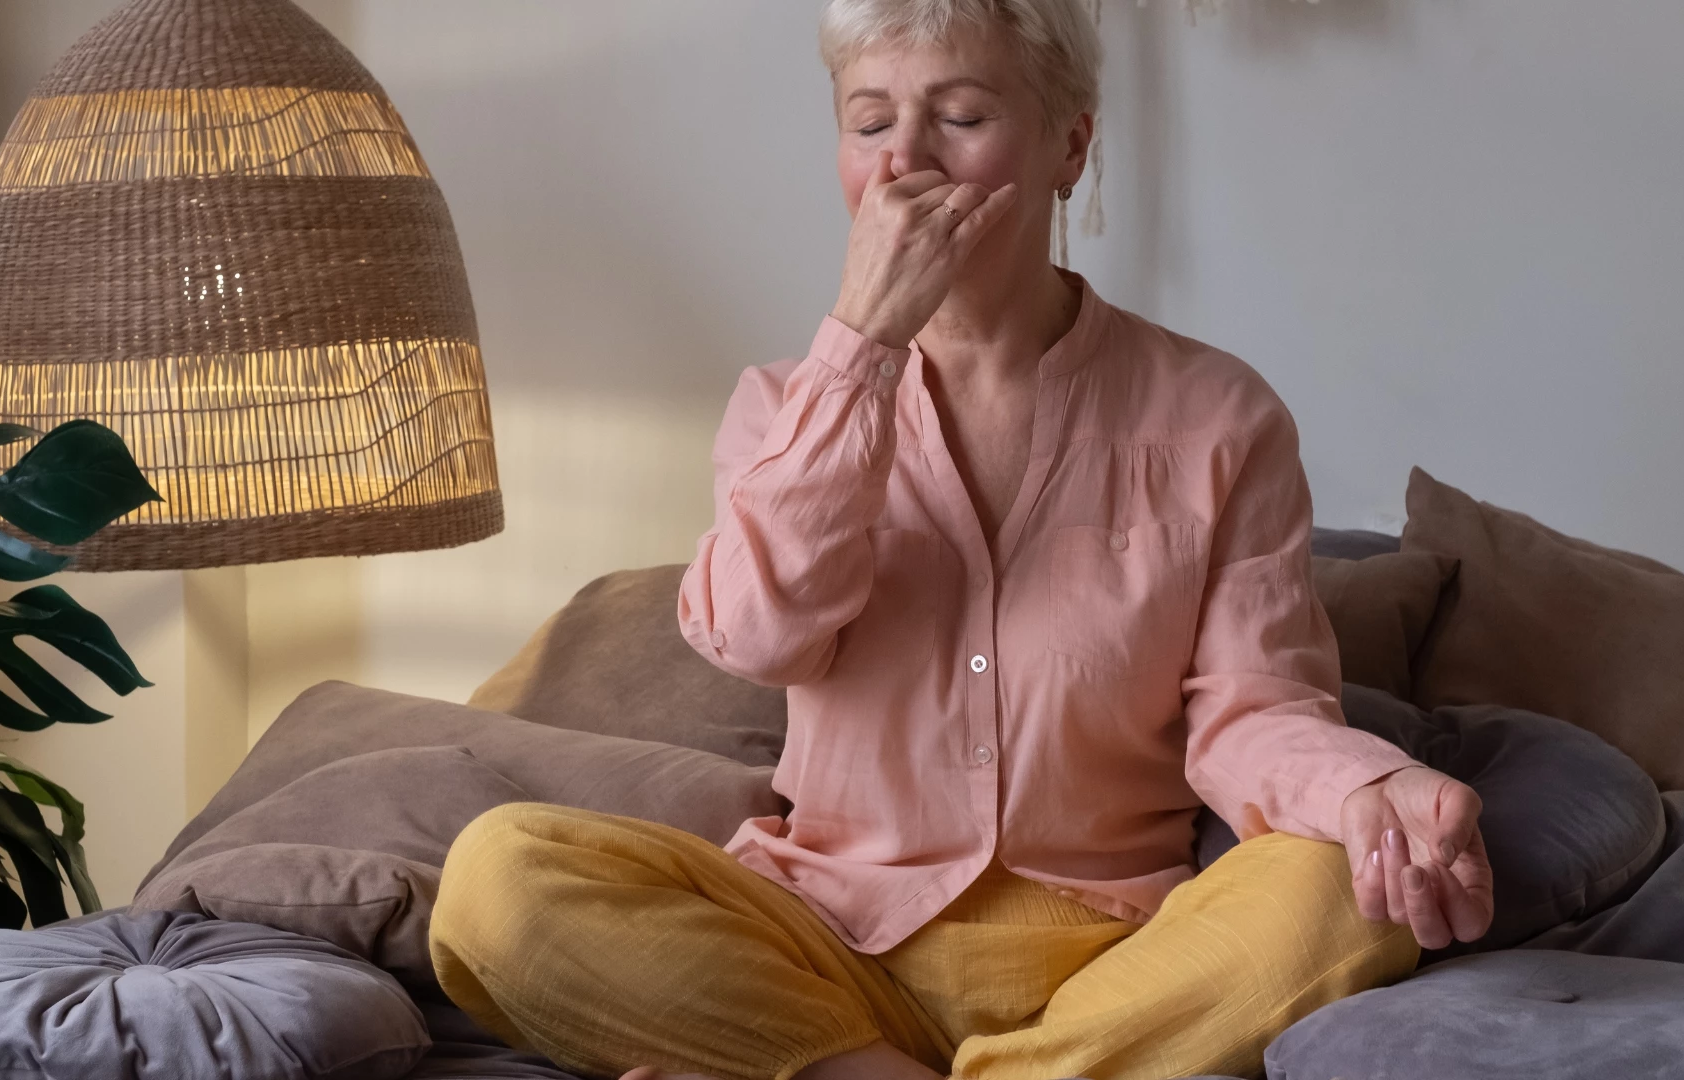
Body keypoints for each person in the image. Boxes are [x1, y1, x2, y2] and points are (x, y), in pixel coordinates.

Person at [429, 2, 1495, 1078]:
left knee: (1343, 889)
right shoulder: (780, 410)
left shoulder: (1220, 417)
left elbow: (1253, 715)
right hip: (826, 940)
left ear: (1069, 142)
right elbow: (757, 638)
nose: (905, 162)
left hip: (1109, 959)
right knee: (497, 878)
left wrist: (1368, 791)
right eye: (869, 121)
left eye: (962, 115)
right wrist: (861, 348)